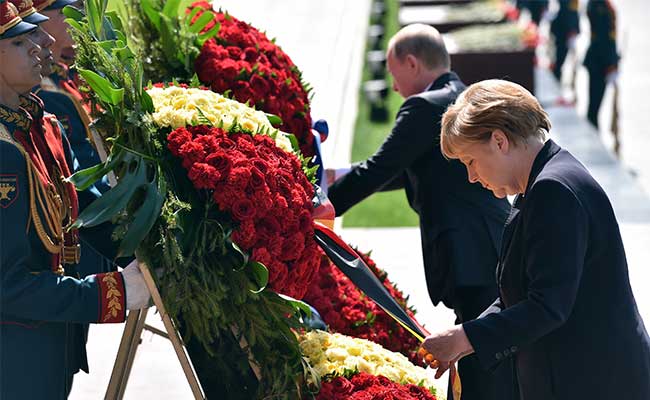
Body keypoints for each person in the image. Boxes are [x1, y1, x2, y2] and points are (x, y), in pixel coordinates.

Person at [419, 79, 650, 400]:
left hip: (595, 381)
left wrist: (466, 338)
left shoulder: (552, 189)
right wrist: (464, 339)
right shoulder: (540, 182)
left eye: (470, 161)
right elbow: (519, 292)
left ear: (499, 140)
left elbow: (548, 306)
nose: (471, 176)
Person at [326, 24, 513, 400]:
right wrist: (339, 175)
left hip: (470, 253)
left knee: (481, 360)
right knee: (486, 352)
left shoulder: (424, 106)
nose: (394, 88)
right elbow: (420, 168)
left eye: (395, 76)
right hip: (492, 243)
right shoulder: (461, 94)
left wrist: (320, 209)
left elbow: (381, 168)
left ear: (411, 63)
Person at [0, 2, 151, 398]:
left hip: (52, 347)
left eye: (36, 31)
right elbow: (6, 285)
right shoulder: (3, 154)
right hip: (13, 360)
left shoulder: (42, 125)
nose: (43, 42)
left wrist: (153, 254)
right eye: (21, 40)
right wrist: (109, 293)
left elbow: (84, 214)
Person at [584, 0, 619, 128]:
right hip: (599, 62)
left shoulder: (601, 4)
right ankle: (592, 131)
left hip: (601, 60)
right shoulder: (598, 5)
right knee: (594, 105)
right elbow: (604, 38)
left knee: (595, 104)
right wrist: (611, 64)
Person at [549, 0, 580, 82]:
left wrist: (575, 29)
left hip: (569, 31)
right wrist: (571, 29)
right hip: (563, 31)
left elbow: (574, 11)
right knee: (559, 59)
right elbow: (565, 10)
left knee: (571, 60)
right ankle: (556, 80)